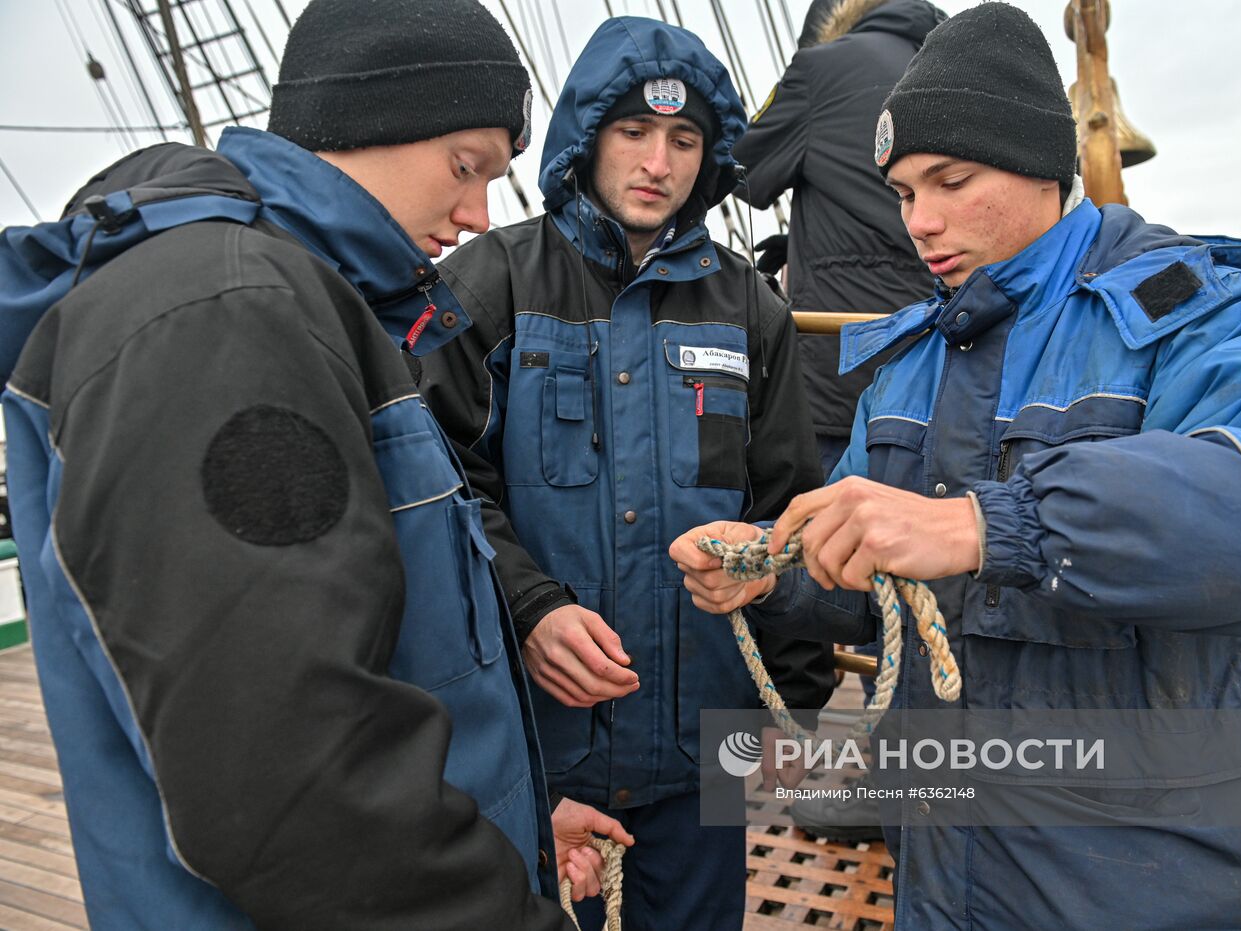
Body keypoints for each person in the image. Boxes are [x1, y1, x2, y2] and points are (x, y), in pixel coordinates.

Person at [670, 4, 1241, 929]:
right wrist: (772, 570)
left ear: (1042, 165)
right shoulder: (910, 362)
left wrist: (995, 524)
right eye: (902, 192)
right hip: (951, 882)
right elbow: (874, 579)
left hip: (1167, 895)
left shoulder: (1193, 309)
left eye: (952, 181)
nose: (920, 222)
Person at [0, 1, 630, 927]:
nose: (477, 216)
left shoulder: (304, 308)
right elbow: (290, 783)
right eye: (466, 166)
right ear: (370, 120)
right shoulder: (227, 315)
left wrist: (518, 830)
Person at [418, 16, 834, 929]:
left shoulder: (751, 308)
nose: (658, 162)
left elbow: (787, 509)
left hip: (699, 752)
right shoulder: (491, 284)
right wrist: (530, 606)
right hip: (537, 749)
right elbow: (441, 489)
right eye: (634, 131)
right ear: (587, 137)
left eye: (684, 140)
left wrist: (797, 703)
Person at [732, 0, 945, 842]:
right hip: (940, 364)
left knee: (833, 559)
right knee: (921, 567)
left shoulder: (824, 69)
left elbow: (746, 172)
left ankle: (864, 777)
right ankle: (920, 776)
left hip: (841, 373)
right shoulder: (944, 67)